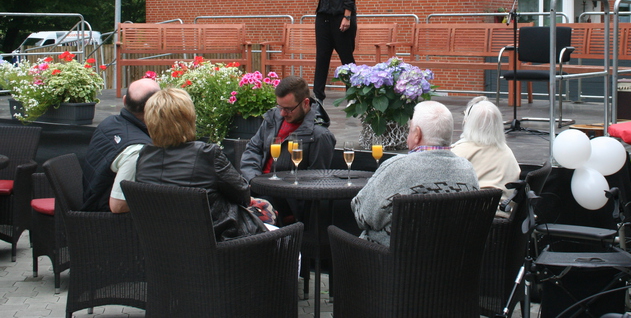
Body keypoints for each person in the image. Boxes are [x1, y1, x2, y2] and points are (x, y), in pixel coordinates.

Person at [114, 87, 265, 240]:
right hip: (221, 243)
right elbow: (243, 195)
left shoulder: (144, 155)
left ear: (149, 121)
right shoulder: (206, 154)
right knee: (266, 209)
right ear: (189, 119)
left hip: (164, 244)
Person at [352, 100, 479, 246]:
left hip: (388, 257)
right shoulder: (468, 170)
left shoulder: (398, 167)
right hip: (452, 257)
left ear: (417, 134)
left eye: (410, 129)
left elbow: (362, 215)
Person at [239, 75, 336, 222]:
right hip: (255, 187)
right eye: (280, 107)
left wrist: (278, 190)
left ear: (305, 103)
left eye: (288, 109)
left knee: (245, 219)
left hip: (284, 201)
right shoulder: (273, 117)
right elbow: (253, 149)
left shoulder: (319, 135)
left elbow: (315, 182)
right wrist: (253, 179)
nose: (282, 113)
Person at [81, 77, 160, 212]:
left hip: (90, 199)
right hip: (106, 217)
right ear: (156, 108)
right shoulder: (136, 150)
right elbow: (118, 206)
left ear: (124, 100)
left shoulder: (109, 122)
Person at [451, 96, 520, 216]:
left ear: (468, 123)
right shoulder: (507, 151)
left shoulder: (459, 152)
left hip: (474, 219)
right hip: (505, 217)